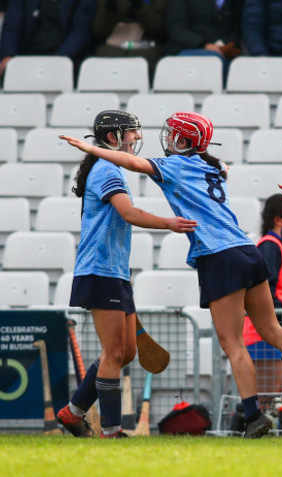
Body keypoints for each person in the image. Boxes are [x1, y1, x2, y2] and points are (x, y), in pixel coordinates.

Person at [60, 111, 282, 439]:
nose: (148, 139)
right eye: (132, 133)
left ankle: (253, 416)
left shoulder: (170, 166)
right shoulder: (210, 164)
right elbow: (216, 167)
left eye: (173, 136)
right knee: (272, 329)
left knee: (233, 343)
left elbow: (134, 172)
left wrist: (89, 147)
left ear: (183, 140)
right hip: (246, 250)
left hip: (218, 256)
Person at [56, 110, 198, 439]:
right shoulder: (108, 170)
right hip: (99, 271)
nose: (136, 138)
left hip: (115, 272)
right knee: (115, 353)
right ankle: (111, 430)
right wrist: (169, 223)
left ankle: (73, 411)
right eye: (131, 132)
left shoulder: (111, 167)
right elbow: (128, 213)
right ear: (112, 138)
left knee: (128, 352)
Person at [243, 193, 282, 393]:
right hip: (266, 334)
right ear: (278, 220)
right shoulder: (269, 246)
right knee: (269, 398)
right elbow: (267, 291)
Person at [0, 0, 96, 76]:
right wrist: (8, 55)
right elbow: (12, 26)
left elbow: (81, 32)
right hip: (26, 57)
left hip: (67, 60)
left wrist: (58, 60)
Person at [164, 0, 243, 81]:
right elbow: (177, 30)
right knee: (214, 60)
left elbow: (237, 31)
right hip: (187, 49)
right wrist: (204, 45)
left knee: (242, 65)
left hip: (225, 52)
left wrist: (228, 48)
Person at [92, 0, 168, 81]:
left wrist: (138, 5)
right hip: (112, 47)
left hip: (148, 48)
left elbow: (161, 30)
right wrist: (108, 9)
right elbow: (99, 32)